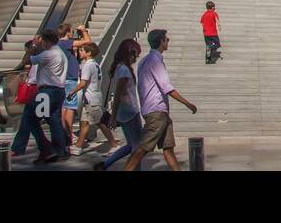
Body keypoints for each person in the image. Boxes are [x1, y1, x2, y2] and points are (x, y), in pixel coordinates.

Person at [123, 29, 196, 172]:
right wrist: (188, 104)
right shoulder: (155, 61)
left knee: (168, 148)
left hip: (157, 111)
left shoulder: (144, 61)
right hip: (156, 112)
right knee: (142, 148)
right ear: (161, 42)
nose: (168, 42)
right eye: (166, 39)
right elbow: (166, 87)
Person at [20, 29, 70, 163]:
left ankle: (46, 148)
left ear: (45, 40)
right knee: (54, 120)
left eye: (41, 40)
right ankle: (61, 150)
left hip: (47, 92)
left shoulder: (47, 54)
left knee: (30, 117)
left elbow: (26, 60)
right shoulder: (61, 53)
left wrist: (33, 46)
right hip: (59, 91)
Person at [94, 38, 142, 172]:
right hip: (129, 111)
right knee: (138, 147)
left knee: (131, 145)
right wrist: (113, 117)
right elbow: (119, 96)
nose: (136, 58)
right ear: (130, 53)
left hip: (124, 111)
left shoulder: (118, 68)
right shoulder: (124, 71)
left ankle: (105, 164)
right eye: (136, 55)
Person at [72, 41, 115, 153]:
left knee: (100, 123)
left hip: (91, 99)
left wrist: (71, 92)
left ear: (89, 53)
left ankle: (114, 145)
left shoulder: (88, 65)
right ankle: (78, 146)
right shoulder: (95, 64)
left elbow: (83, 83)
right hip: (92, 98)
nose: (79, 52)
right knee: (85, 122)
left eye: (82, 50)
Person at [57, 23, 83, 146]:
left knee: (64, 107)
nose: (72, 33)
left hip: (63, 78)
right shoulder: (65, 43)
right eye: (71, 31)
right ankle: (69, 133)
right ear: (67, 32)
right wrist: (83, 31)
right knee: (70, 107)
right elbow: (87, 41)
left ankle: (64, 132)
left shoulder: (57, 45)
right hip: (70, 78)